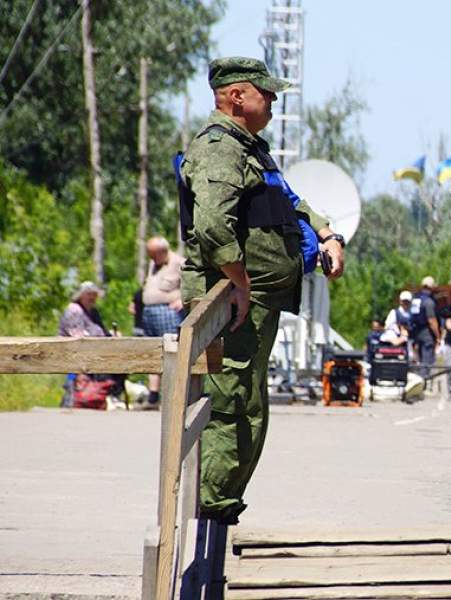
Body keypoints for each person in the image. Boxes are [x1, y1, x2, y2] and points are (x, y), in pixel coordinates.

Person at [177, 56, 345, 525]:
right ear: (236, 97)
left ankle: (223, 504)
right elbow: (212, 228)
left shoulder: (251, 150)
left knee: (248, 402)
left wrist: (327, 234)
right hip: (229, 303)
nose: (272, 101)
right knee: (230, 402)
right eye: (264, 93)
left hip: (255, 302)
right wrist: (241, 282)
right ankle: (211, 507)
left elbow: (290, 199)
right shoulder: (218, 149)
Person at [58, 281, 123, 409]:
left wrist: (112, 335)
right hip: (75, 349)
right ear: (81, 295)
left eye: (94, 295)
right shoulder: (74, 310)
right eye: (89, 294)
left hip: (94, 348)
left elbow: (101, 330)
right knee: (112, 361)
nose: (92, 298)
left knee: (123, 358)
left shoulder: (93, 311)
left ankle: (110, 395)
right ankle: (100, 395)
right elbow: (77, 336)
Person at [141, 236, 186, 406]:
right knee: (152, 352)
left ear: (163, 251)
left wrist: (183, 299)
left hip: (167, 312)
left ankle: (174, 394)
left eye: (153, 254)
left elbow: (194, 284)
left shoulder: (179, 262)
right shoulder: (153, 265)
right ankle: (153, 395)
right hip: (149, 312)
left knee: (171, 351)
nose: (151, 259)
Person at [408, 277, 440, 383]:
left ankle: (419, 380)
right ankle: (423, 382)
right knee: (427, 359)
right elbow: (431, 320)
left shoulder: (415, 299)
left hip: (416, 333)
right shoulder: (429, 302)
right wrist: (438, 335)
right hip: (426, 333)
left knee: (420, 359)